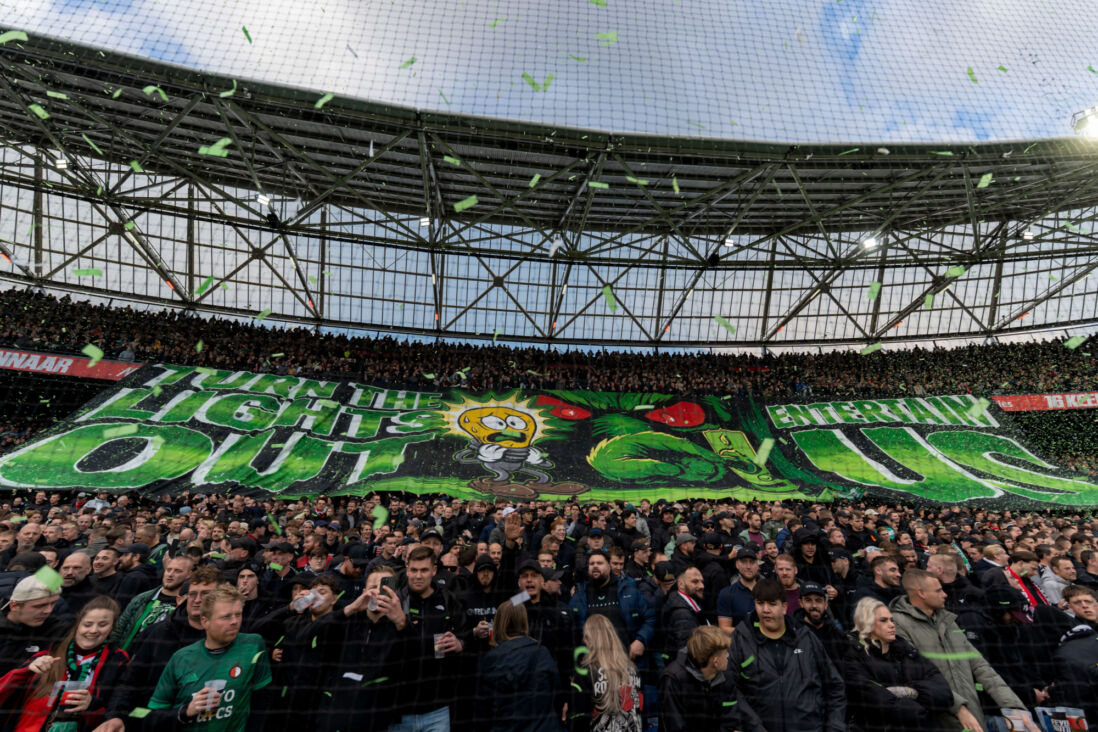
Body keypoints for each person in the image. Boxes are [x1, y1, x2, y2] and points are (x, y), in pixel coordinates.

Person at [890, 568, 1036, 732]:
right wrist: (958, 707)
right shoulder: (897, 625)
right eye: (938, 590)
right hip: (938, 720)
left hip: (972, 717)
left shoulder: (949, 620)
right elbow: (918, 674)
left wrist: (1015, 707)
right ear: (921, 593)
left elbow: (981, 667)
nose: (944, 594)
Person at [145, 584, 272, 731]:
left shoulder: (253, 645)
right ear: (205, 621)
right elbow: (151, 718)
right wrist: (186, 711)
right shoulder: (181, 658)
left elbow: (263, 700)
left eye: (238, 614)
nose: (234, 621)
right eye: (226, 617)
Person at [728, 578, 846, 732]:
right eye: (760, 603)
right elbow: (731, 689)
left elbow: (835, 687)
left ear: (784, 607)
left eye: (772, 604)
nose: (765, 610)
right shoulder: (741, 639)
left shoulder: (806, 638)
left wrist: (834, 727)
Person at [0, 596, 128, 732]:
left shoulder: (117, 660)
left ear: (112, 627)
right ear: (78, 624)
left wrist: (91, 706)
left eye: (103, 625)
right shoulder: (49, 650)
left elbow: (113, 717)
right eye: (87, 624)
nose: (93, 630)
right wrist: (26, 670)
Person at [842, 597, 954, 732]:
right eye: (883, 620)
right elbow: (876, 702)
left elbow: (944, 694)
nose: (892, 625)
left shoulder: (907, 651)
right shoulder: (852, 655)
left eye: (892, 620)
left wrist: (911, 691)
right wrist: (922, 707)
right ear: (867, 622)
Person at [391, 545, 469, 731]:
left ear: (434, 570)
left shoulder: (449, 601)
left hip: (438, 708)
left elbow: (466, 635)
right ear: (407, 569)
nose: (418, 576)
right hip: (400, 709)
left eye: (424, 570)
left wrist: (461, 643)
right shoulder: (396, 602)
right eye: (414, 570)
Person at [474, 601, 559, 732]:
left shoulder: (491, 660)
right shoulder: (543, 652)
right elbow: (556, 693)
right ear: (524, 621)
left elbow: (482, 712)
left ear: (499, 623)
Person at [658, 626, 756, 731]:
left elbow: (732, 722)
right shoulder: (673, 679)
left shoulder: (726, 676)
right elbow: (674, 727)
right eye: (725, 652)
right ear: (715, 661)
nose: (728, 655)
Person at [568, 551, 654, 664]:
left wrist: (640, 640)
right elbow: (570, 631)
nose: (595, 566)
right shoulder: (579, 597)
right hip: (593, 665)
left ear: (609, 566)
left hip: (627, 662)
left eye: (599, 563)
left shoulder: (628, 591)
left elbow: (650, 618)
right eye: (591, 563)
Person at [569, 614, 644, 732]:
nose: (584, 641)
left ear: (592, 640)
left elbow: (578, 721)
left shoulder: (586, 672)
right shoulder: (633, 669)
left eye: (586, 637)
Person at [111, 555, 194, 650]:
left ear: (189, 574)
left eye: (178, 571)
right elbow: (119, 629)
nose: (170, 574)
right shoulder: (142, 598)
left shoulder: (188, 605)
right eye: (168, 569)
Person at [0, 575, 67, 676]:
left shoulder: (58, 629)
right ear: (14, 606)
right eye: (39, 606)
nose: (48, 611)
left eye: (53, 603)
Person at [1052, 584, 1098, 721]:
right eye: (1078, 603)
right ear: (1069, 607)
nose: (1085, 606)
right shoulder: (1070, 633)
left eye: (1088, 602)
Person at [795, 582, 850, 664]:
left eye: (818, 600)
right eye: (808, 600)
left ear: (826, 604)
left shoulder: (838, 636)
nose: (814, 605)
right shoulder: (793, 635)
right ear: (801, 603)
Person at [660, 567, 704, 660]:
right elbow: (688, 652)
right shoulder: (681, 614)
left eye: (702, 581)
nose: (701, 586)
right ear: (681, 584)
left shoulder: (689, 602)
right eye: (695, 582)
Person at [716, 545, 760, 634]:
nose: (748, 566)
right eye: (744, 562)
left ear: (757, 565)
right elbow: (724, 628)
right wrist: (753, 634)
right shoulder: (727, 593)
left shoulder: (767, 590)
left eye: (752, 562)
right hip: (740, 645)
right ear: (737, 564)